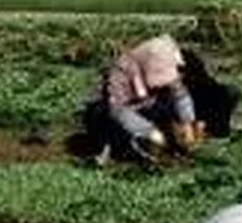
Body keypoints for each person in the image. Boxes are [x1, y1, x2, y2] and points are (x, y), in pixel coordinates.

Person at [85, 35, 202, 166]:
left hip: (149, 107)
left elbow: (180, 95)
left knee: (173, 114)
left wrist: (187, 123)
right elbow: (117, 111)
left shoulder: (166, 62)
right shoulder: (121, 74)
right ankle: (112, 150)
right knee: (115, 132)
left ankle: (172, 144)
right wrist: (148, 131)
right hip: (117, 113)